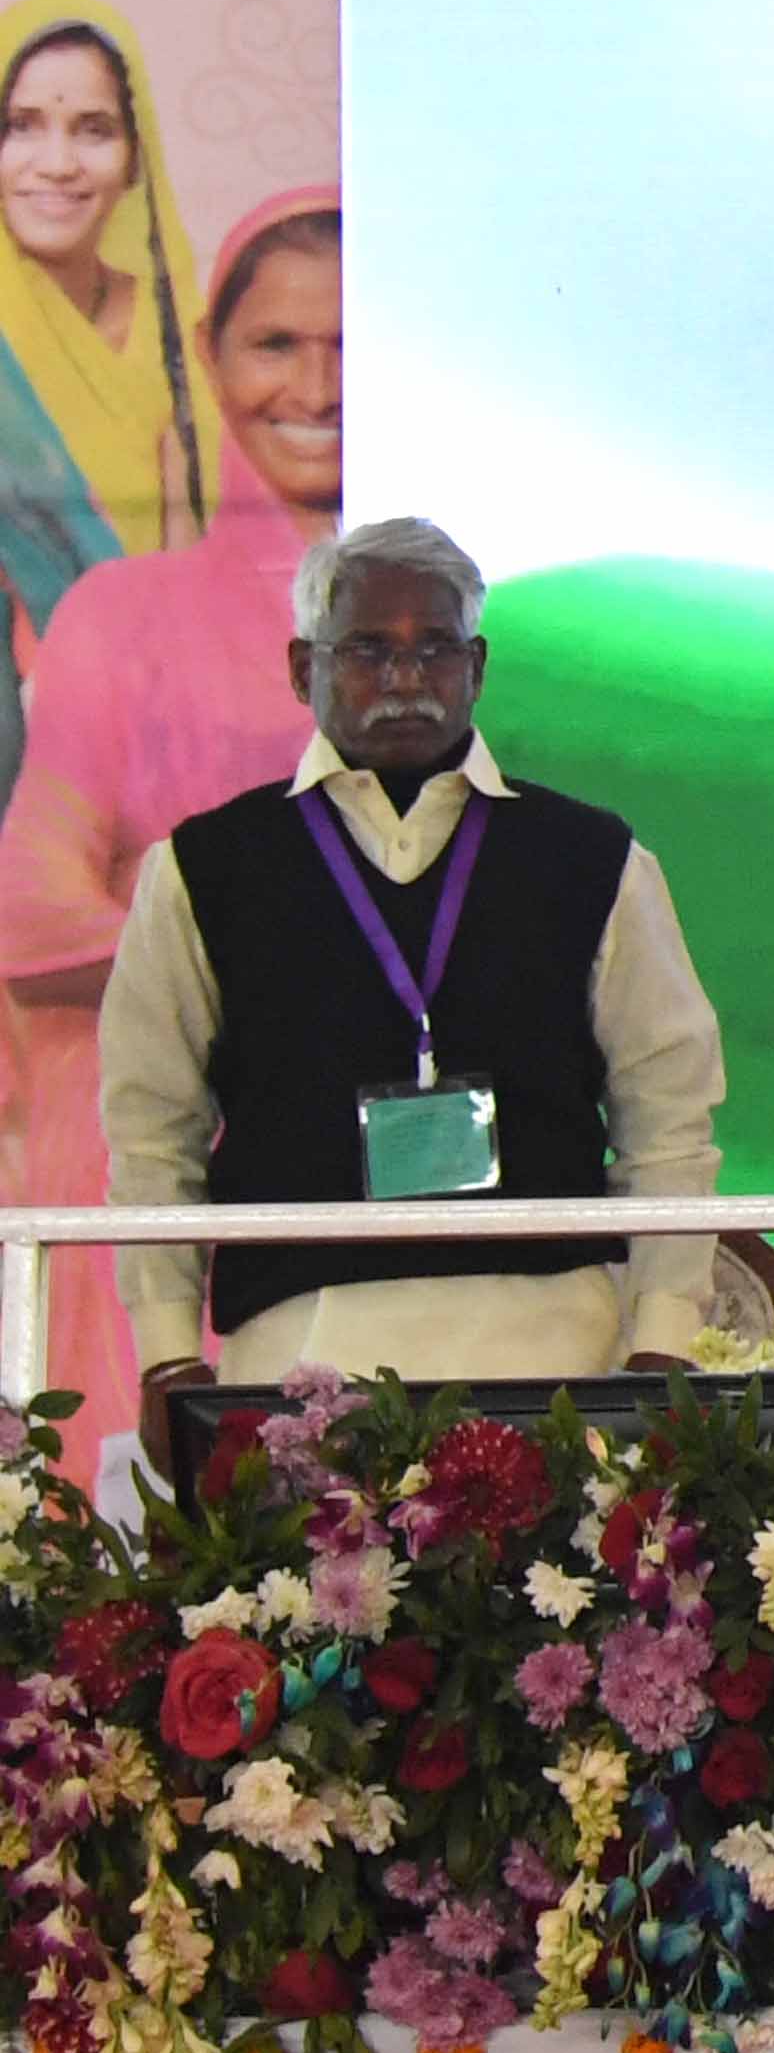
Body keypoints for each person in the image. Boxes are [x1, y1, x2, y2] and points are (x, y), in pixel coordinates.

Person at [99, 516, 725, 1389]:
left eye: (434, 649)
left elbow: (668, 1119)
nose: (404, 679)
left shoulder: (592, 858)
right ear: (300, 668)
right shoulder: (205, 868)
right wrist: (168, 1355)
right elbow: (150, 1134)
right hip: (299, 1348)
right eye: (365, 650)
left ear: (476, 669)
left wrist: (661, 1334)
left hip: (562, 1344)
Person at [0, 194, 336, 1460]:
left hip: (368, 1188)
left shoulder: (435, 640)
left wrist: (156, 883)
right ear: (209, 355)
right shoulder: (123, 613)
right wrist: (271, 954)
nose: (315, 385)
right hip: (140, 1173)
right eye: (277, 343)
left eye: (353, 348)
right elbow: (27, 914)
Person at [0, 0, 226, 646]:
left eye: (93, 129)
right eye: (23, 125)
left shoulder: (182, 329)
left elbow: (193, 567)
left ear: (135, 156)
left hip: (159, 681)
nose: (59, 162)